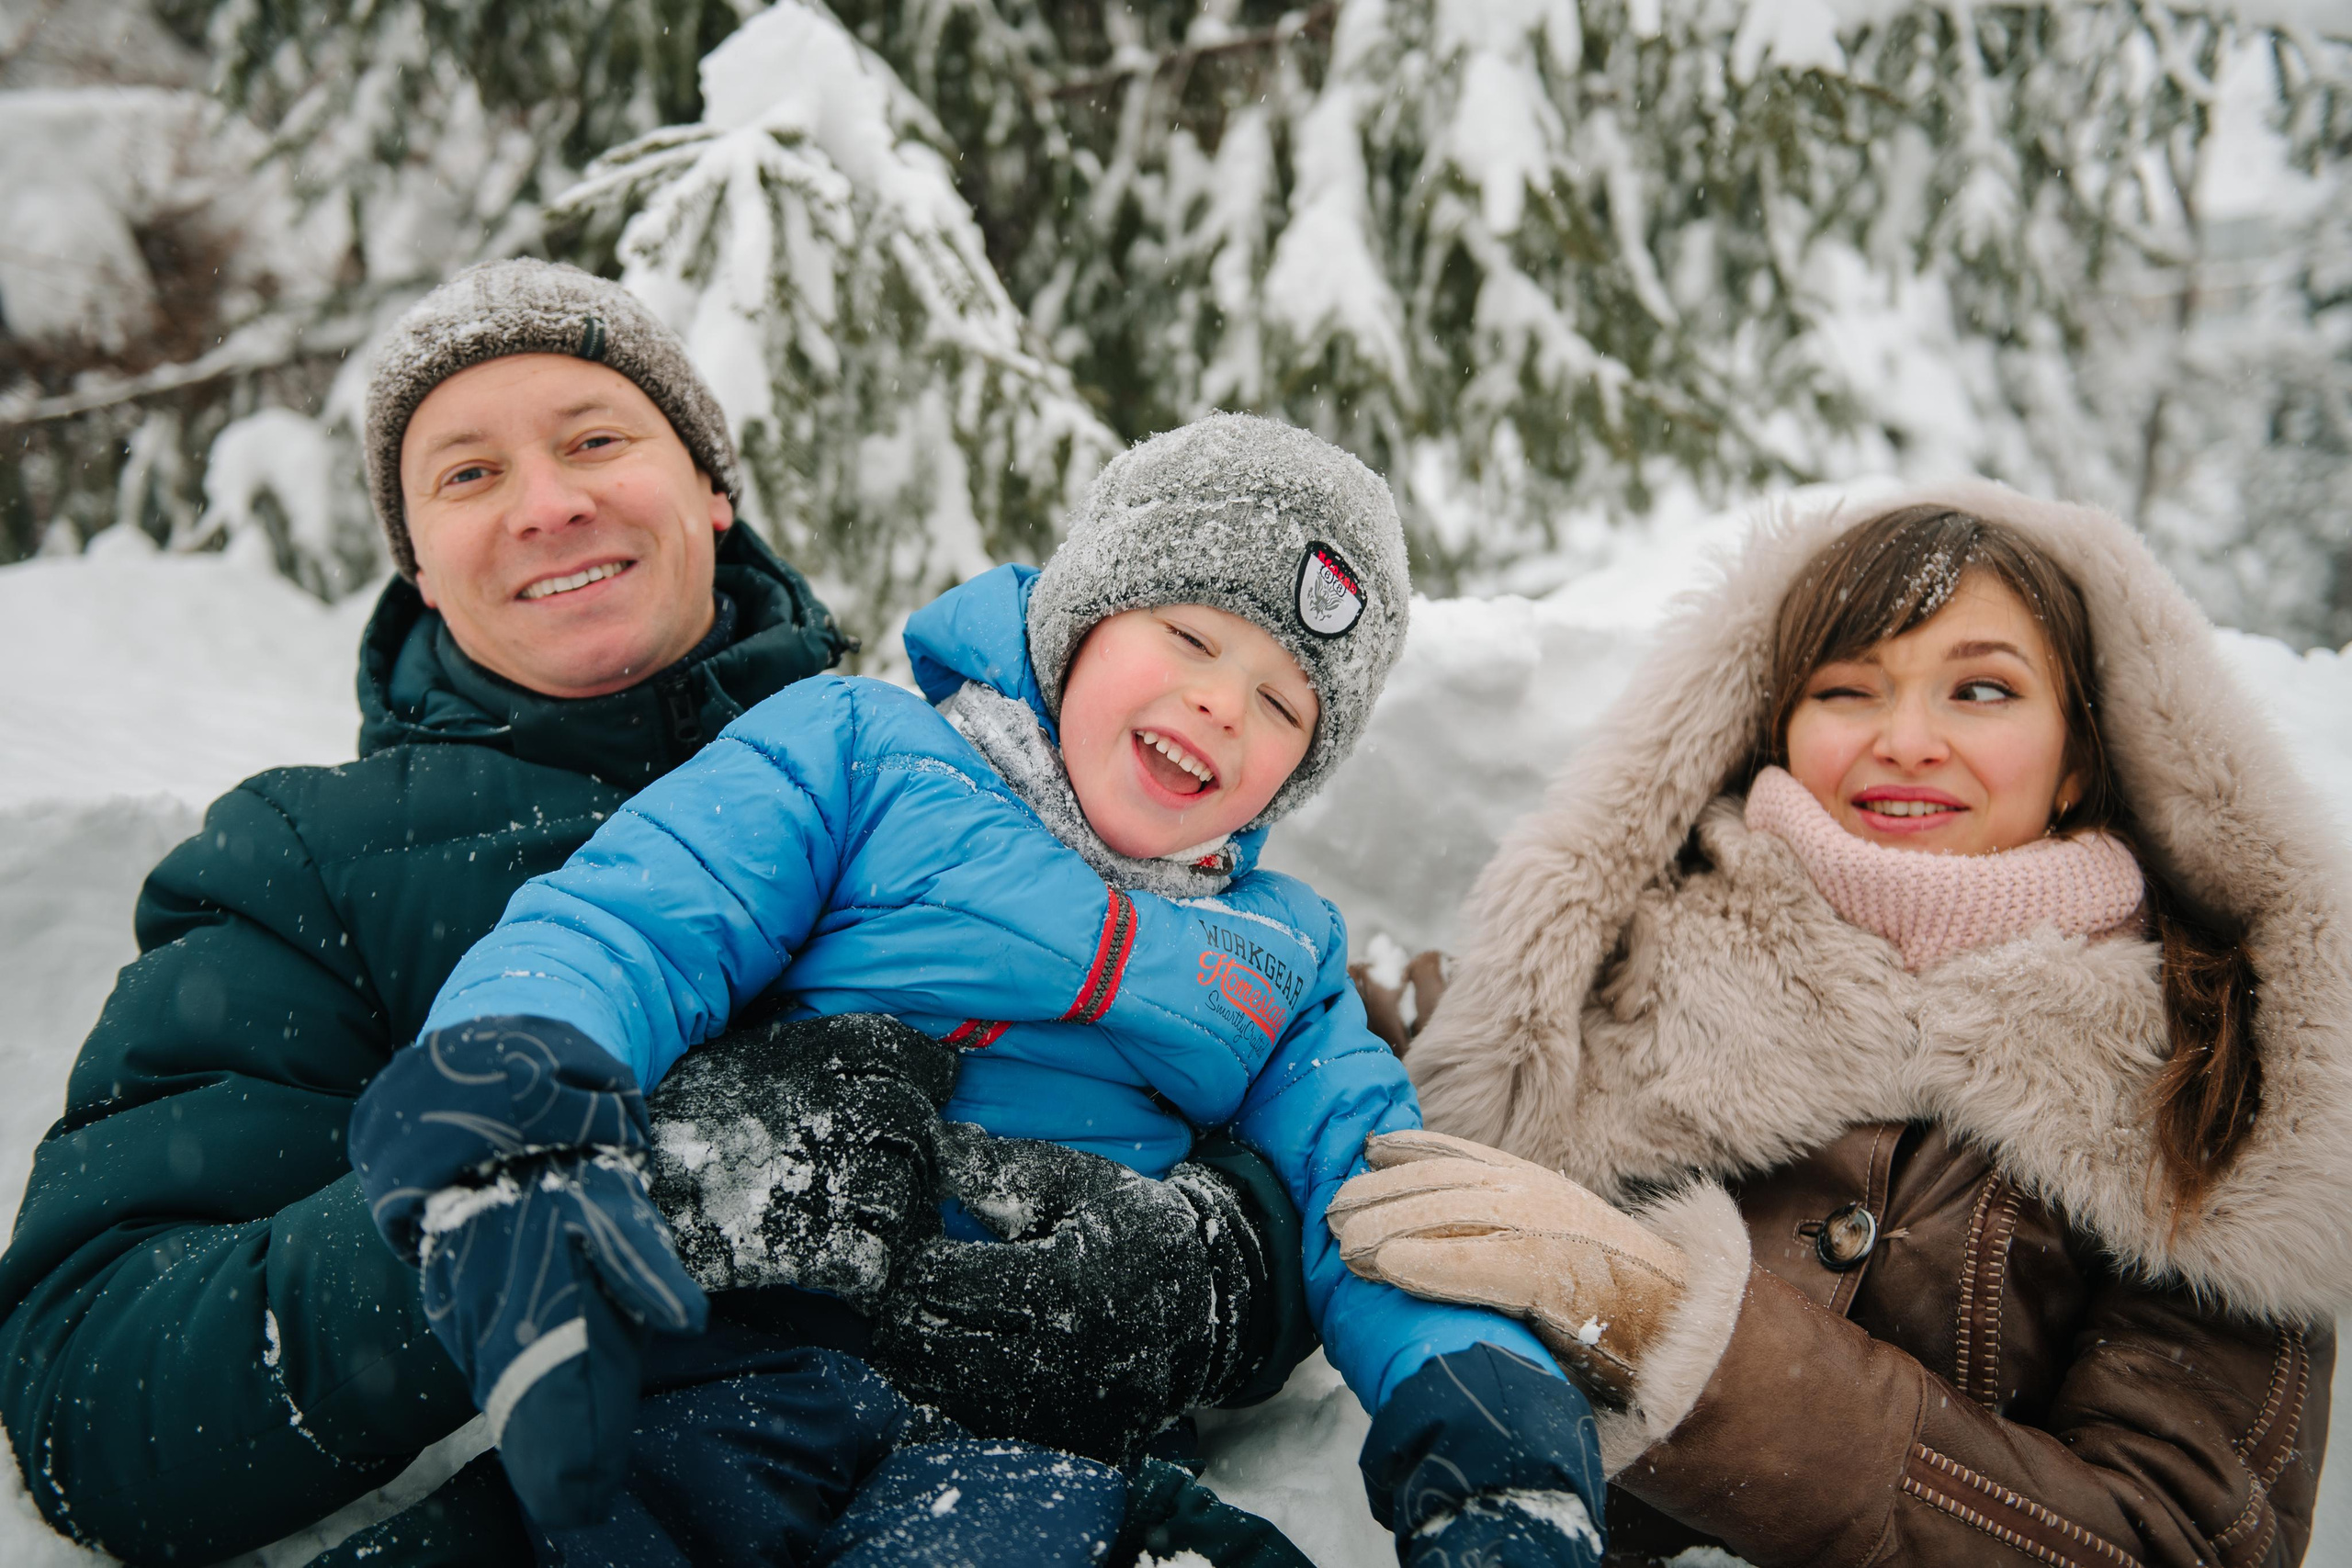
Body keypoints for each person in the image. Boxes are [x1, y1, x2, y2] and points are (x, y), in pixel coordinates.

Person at [0, 261, 1300, 1566]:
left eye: (595, 440)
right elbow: (95, 1396)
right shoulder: (315, 860)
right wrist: (599, 1188)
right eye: (466, 473)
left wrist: (1224, 1269)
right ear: (417, 566)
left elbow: (1282, 1070)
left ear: (711, 487)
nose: (549, 504)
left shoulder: (968, 764)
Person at [348, 413, 1614, 1567]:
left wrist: (1500, 1437)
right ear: (1080, 613)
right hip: (732, 1360)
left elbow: (1379, 1196)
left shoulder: (1284, 959)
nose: (1220, 702)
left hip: (1029, 1431)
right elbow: (635, 917)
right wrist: (516, 1100)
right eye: (1186, 633)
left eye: (1285, 702)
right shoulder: (857, 751)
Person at [1335, 490, 2349, 1565]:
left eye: (1982, 689)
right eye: (1848, 688)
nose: (1906, 740)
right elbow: (1299, 1036)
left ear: (2081, 756)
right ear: (1775, 725)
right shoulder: (1582, 967)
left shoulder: (2225, 1083)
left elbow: (2175, 1539)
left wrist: (1671, 1333)